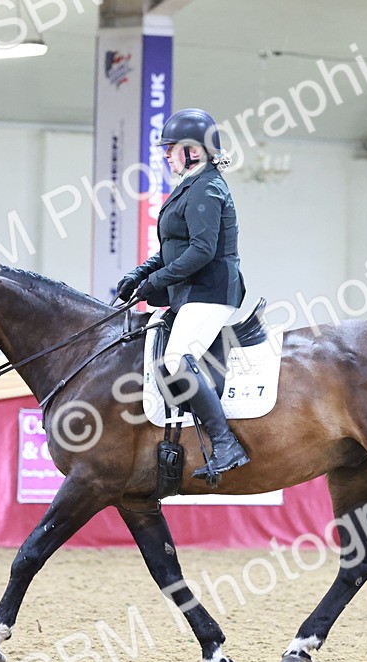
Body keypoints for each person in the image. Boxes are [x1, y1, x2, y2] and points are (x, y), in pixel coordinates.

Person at [115, 108, 249, 480]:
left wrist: (156, 282)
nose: (165, 154)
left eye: (170, 148)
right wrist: (141, 274)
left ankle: (225, 444)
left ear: (193, 150)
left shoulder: (207, 187)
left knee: (177, 359)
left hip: (211, 291)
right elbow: (173, 247)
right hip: (189, 291)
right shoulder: (189, 185)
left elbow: (202, 250)